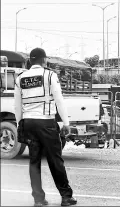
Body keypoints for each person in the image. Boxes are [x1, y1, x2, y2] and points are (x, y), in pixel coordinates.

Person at [14, 48, 77, 207]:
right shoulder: (50, 75)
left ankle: (38, 199)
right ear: (44, 60)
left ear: (30, 61)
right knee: (55, 160)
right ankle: (66, 197)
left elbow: (17, 106)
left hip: (28, 123)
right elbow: (59, 100)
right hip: (46, 123)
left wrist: (20, 124)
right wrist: (66, 123)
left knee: (34, 161)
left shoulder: (20, 77)